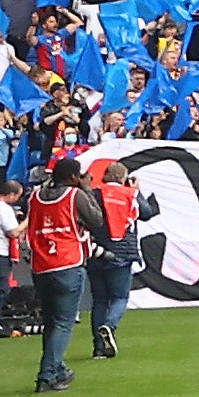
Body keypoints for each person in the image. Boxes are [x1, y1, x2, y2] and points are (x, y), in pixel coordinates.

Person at [21, 157, 91, 392]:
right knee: (63, 323)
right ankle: (47, 374)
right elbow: (97, 220)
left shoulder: (35, 197)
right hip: (68, 263)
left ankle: (57, 368)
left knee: (51, 322)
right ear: (73, 177)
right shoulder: (75, 196)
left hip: (42, 266)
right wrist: (87, 189)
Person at [81, 153, 140, 362]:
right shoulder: (129, 194)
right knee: (120, 297)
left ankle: (98, 347)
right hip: (122, 252)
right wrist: (135, 191)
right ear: (124, 178)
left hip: (96, 251)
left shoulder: (94, 194)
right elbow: (148, 212)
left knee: (99, 300)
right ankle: (110, 325)